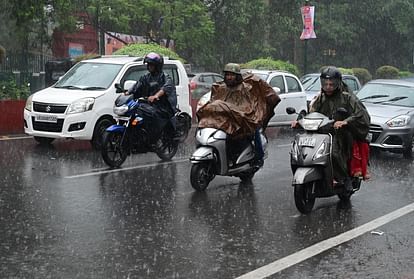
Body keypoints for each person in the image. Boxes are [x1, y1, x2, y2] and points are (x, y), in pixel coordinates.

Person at [197, 63, 280, 165]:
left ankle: (258, 157)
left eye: (232, 75)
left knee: (254, 131)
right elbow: (214, 101)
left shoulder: (245, 88)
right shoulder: (221, 87)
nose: (229, 77)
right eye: (227, 75)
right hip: (225, 118)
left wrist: (238, 113)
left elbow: (247, 106)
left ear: (237, 76)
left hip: (241, 118)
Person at [306, 66, 370, 191]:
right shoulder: (319, 99)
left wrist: (345, 122)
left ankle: (344, 178)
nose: (328, 86)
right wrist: (299, 122)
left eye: (331, 84)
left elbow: (361, 115)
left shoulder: (347, 97)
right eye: (325, 83)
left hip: (343, 134)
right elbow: (312, 114)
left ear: (338, 83)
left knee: (333, 152)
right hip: (323, 132)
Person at [127, 52, 177, 141]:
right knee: (136, 111)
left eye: (152, 64)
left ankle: (154, 138)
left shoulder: (165, 77)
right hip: (149, 104)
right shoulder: (146, 77)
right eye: (148, 64)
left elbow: (166, 87)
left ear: (157, 66)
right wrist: (128, 92)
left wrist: (156, 96)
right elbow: (138, 85)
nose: (149, 66)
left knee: (153, 115)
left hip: (163, 106)